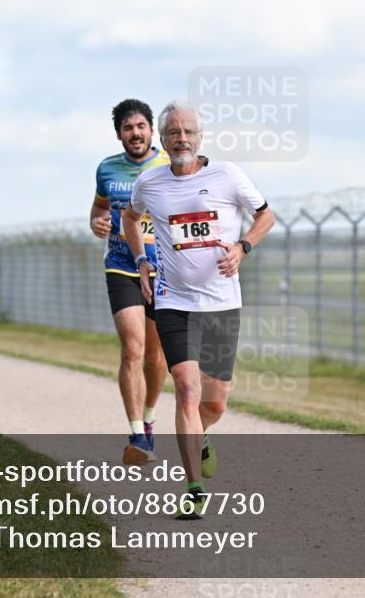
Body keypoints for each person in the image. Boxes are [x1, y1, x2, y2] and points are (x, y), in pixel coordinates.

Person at [124, 101, 275, 519]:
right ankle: (194, 488)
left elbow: (266, 216)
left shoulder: (227, 176)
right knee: (186, 391)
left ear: (201, 136)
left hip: (222, 303)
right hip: (173, 301)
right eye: (173, 132)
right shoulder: (150, 184)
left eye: (188, 131)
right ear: (163, 139)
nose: (181, 139)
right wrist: (141, 262)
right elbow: (130, 218)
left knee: (214, 404)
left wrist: (243, 247)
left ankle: (200, 437)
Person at [91, 99, 172, 465]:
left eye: (141, 126)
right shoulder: (107, 168)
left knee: (156, 355)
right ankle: (137, 433)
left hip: (165, 271)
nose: (135, 133)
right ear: (119, 133)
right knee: (133, 349)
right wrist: (97, 223)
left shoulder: (169, 165)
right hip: (122, 266)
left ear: (151, 129)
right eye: (128, 127)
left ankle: (150, 416)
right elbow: (99, 210)